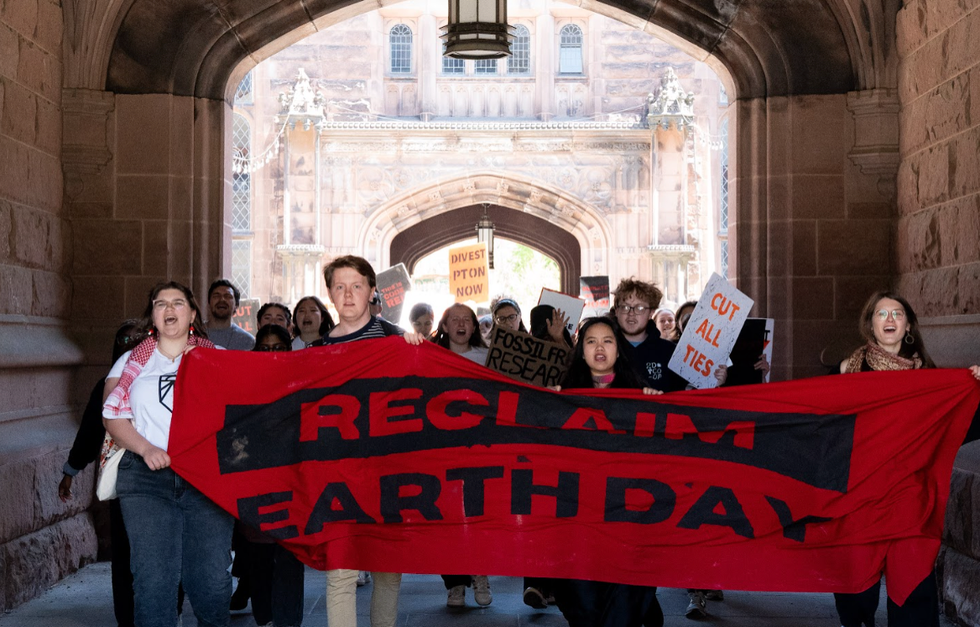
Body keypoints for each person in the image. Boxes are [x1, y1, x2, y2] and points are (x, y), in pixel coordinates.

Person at [833, 291, 980, 627]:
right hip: (860, 495)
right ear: (870, 324)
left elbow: (956, 425)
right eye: (881, 314)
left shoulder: (929, 376)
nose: (889, 320)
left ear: (908, 324)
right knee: (856, 583)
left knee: (912, 582)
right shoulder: (846, 370)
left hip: (910, 495)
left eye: (897, 314)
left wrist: (974, 388)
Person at [102, 281, 232, 627]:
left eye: (178, 302)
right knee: (153, 581)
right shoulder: (131, 361)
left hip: (206, 478)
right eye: (161, 304)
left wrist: (204, 367)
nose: (169, 309)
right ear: (153, 316)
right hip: (145, 477)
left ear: (191, 313)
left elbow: (240, 411)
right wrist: (146, 449)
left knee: (212, 583)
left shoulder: (217, 357)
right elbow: (112, 413)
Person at [312, 255, 424, 627]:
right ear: (329, 293)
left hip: (388, 472)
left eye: (356, 286)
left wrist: (417, 353)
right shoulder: (315, 354)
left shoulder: (398, 341)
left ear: (372, 292)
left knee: (388, 571)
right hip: (338, 475)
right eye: (339, 287)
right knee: (340, 572)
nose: (348, 294)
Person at [551, 316, 664, 627]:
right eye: (591, 341)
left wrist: (657, 407)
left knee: (622, 608)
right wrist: (545, 405)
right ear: (581, 350)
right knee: (584, 606)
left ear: (618, 349)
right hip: (578, 525)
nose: (599, 347)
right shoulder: (560, 396)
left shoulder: (642, 397)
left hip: (628, 522)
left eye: (607, 341)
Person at [59, 320, 141, 627]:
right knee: (124, 552)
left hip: (163, 479)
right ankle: (127, 620)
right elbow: (91, 431)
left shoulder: (166, 379)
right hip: (124, 483)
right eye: (124, 341)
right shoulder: (108, 384)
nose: (131, 346)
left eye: (139, 340)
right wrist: (71, 470)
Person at [234, 324, 306, 627]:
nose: (273, 353)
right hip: (256, 482)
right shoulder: (244, 385)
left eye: (279, 347)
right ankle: (265, 617)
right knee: (259, 556)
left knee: (291, 556)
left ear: (289, 350)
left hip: (293, 482)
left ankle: (289, 621)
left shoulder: (303, 382)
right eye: (266, 348)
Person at [612, 278, 690, 392]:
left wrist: (718, 380)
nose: (631, 313)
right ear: (616, 311)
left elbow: (688, 394)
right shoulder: (605, 349)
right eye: (625, 307)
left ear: (651, 313)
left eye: (640, 308)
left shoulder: (671, 353)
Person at [206, 279, 255, 350]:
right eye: (216, 296)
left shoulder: (248, 342)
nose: (222, 300)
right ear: (209, 303)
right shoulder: (194, 335)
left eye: (228, 296)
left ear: (236, 305)